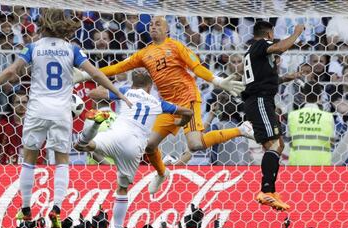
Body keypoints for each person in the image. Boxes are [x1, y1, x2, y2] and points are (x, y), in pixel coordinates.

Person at [0, 8, 131, 228]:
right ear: (64, 26)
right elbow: (96, 74)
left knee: (29, 157)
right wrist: (119, 93)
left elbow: (11, 71)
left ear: (44, 24)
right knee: (62, 160)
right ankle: (57, 208)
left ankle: (26, 208)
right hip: (61, 111)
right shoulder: (72, 49)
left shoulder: (34, 48)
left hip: (37, 109)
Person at [75, 16, 253, 195]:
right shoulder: (144, 54)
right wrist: (85, 75)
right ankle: (162, 173)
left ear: (167, 29)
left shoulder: (176, 46)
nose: (153, 27)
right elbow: (118, 67)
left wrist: (218, 81)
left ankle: (241, 130)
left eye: (158, 24)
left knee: (195, 144)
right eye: (151, 24)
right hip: (168, 104)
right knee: (150, 145)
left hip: (187, 99)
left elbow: (196, 67)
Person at [74, 69, 193, 228]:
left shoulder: (125, 91)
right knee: (122, 189)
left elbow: (94, 93)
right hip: (134, 147)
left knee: (85, 145)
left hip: (115, 135)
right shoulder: (158, 103)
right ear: (150, 86)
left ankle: (90, 132)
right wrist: (179, 122)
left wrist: (110, 92)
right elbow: (188, 113)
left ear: (132, 83)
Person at [242, 21, 305, 211]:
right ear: (269, 34)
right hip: (260, 100)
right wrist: (296, 33)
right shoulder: (260, 44)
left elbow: (263, 75)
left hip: (260, 101)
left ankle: (270, 191)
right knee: (275, 145)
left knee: (277, 144)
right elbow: (280, 47)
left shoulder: (253, 52)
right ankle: (266, 191)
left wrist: (286, 78)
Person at [0, 90, 47, 164]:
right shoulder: (2, 125)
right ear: (12, 105)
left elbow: (42, 148)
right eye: (18, 102)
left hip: (28, 167)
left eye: (24, 102)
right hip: (5, 168)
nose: (21, 105)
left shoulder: (36, 126)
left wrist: (36, 164)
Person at [288, 83, 334, 165]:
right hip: (322, 165)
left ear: (303, 95)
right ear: (320, 96)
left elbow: (290, 140)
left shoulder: (292, 116)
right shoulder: (328, 117)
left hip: (297, 163)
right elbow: (332, 142)